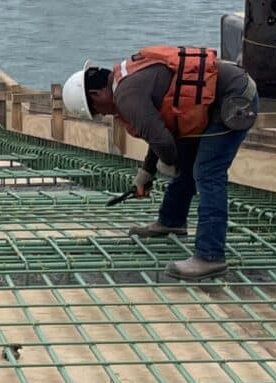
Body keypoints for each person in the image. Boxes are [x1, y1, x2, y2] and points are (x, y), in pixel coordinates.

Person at [68, 44, 258, 280]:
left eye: (97, 111)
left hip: (234, 102)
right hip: (217, 99)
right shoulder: (126, 79)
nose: (104, 115)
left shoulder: (126, 97)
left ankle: (210, 256)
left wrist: (168, 165)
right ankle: (172, 221)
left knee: (208, 173)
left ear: (97, 95)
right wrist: (146, 174)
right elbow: (160, 131)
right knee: (188, 163)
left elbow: (164, 144)